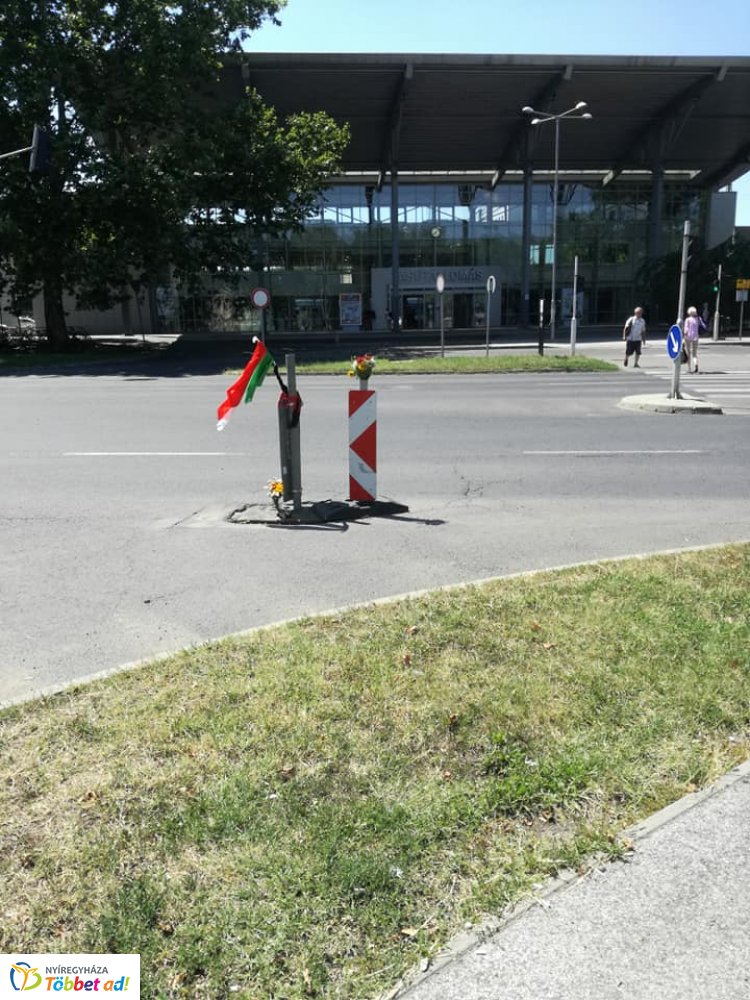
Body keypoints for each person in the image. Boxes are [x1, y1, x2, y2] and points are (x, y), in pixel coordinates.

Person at [683, 305, 707, 373]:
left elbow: (686, 330)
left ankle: (689, 369)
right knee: (694, 353)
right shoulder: (698, 319)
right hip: (695, 337)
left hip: (688, 337)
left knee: (688, 353)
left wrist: (683, 337)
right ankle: (696, 365)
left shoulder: (687, 320)